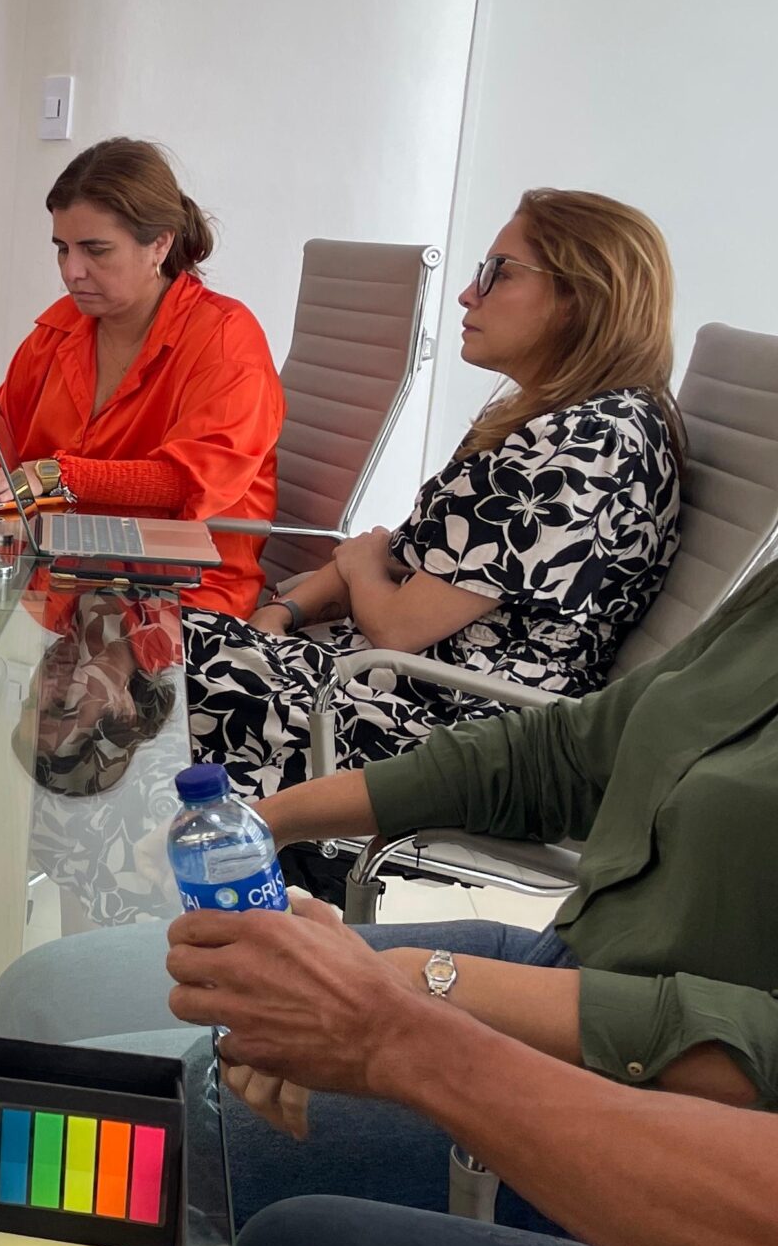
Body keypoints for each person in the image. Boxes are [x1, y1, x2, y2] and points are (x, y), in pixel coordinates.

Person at [0, 553, 778, 1246]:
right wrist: (266, 820)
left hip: (669, 1116)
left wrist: (413, 993)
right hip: (567, 960)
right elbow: (567, 753)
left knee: (79, 1123)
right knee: (42, 994)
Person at [184, 189, 682, 803]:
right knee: (139, 643)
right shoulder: (537, 424)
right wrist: (282, 613)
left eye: (499, 273)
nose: (468, 294)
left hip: (452, 733)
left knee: (145, 660)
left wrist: (361, 567)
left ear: (578, 298)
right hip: (381, 684)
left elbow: (398, 623)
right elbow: (401, 551)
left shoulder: (585, 445)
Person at [174, 897, 778, 1246]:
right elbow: (556, 757)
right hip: (574, 965)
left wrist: (398, 1029)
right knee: (189, 1072)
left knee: (212, 1131)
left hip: (684, 1115)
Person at [0, 138, 284, 617]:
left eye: (96, 250)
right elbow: (1, 438)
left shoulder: (225, 339)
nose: (72, 271)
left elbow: (184, 482)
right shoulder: (59, 327)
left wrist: (56, 475)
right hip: (64, 578)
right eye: (62, 249)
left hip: (183, 595)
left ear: (160, 244)